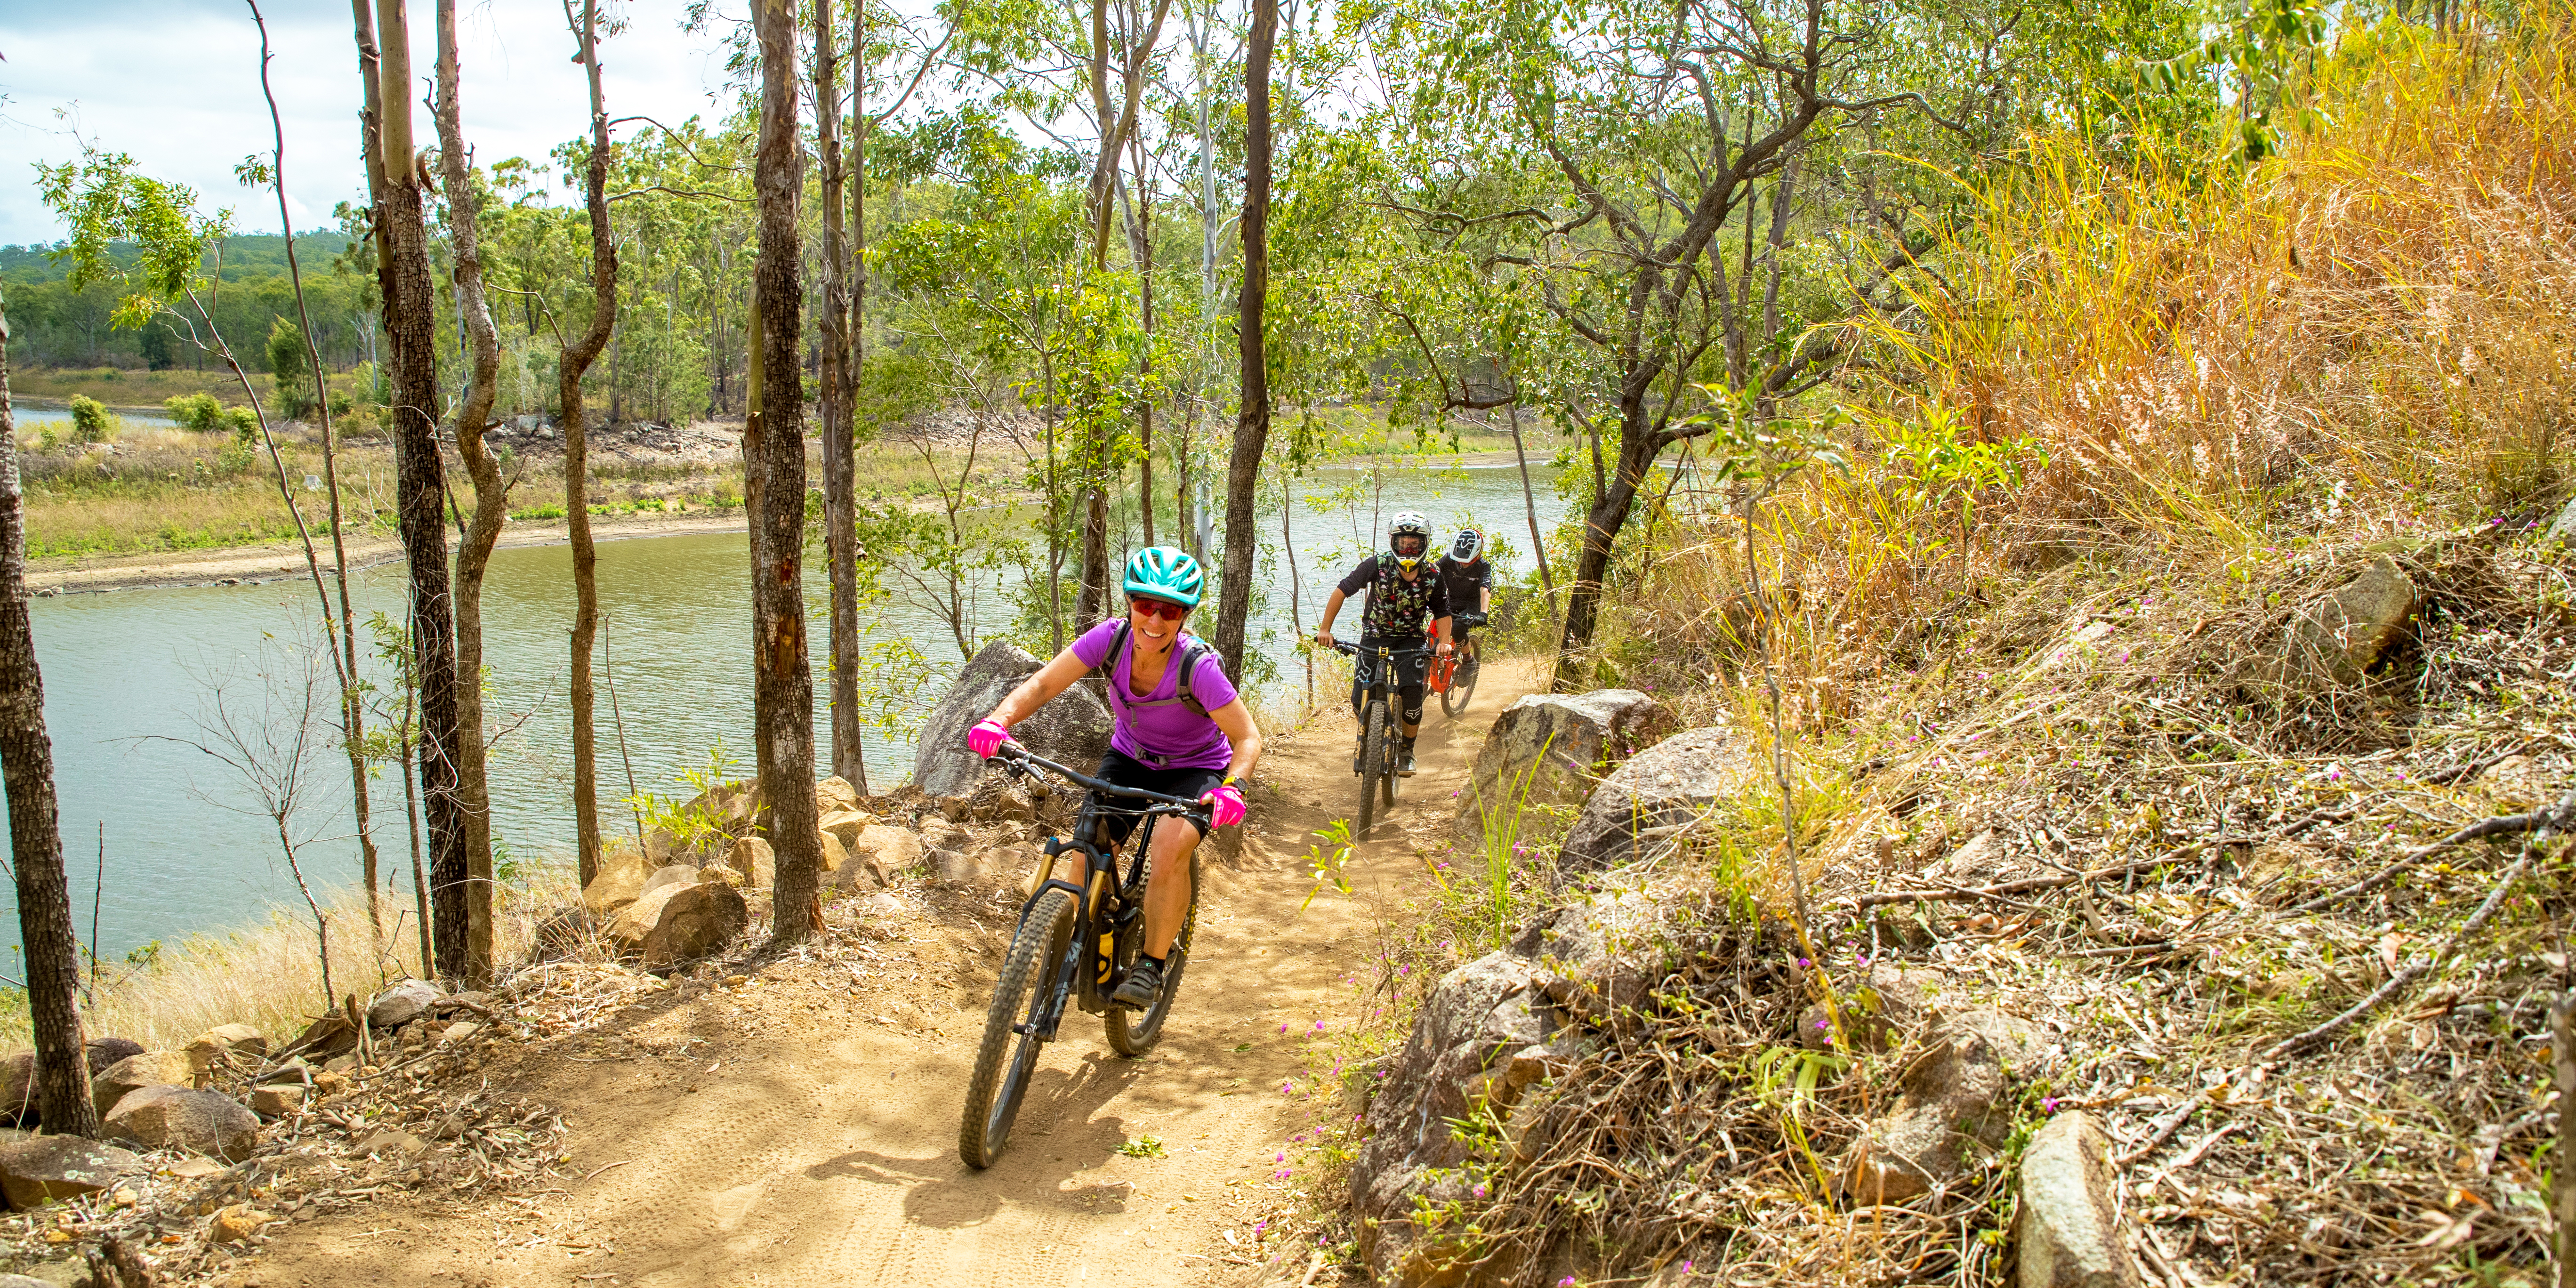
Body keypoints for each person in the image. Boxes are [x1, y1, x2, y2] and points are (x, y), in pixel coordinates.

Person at [966, 547, 1261, 1010]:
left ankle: (1151, 966)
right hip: (1131, 757)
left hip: (1196, 768)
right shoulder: (1110, 640)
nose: (1156, 620)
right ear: (1129, 602)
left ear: (1184, 615)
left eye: (1170, 610)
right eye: (1146, 605)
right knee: (1086, 856)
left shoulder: (1197, 668)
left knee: (1168, 848)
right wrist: (998, 721)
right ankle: (1086, 947)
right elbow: (1044, 684)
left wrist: (1234, 787)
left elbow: (1247, 737)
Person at [1314, 511, 1452, 777]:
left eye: (1414, 543)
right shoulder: (1377, 565)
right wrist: (1325, 629)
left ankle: (1407, 752)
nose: (1408, 548)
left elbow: (1443, 612)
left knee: (1412, 698)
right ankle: (1373, 734)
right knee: (1358, 700)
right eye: (1403, 543)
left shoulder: (1433, 574)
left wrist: (1444, 643)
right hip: (1374, 637)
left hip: (1411, 641)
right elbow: (1343, 590)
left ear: (1424, 544)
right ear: (1393, 542)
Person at [1437, 527, 1494, 661]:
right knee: (1436, 621)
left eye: (1466, 562)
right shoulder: (1448, 560)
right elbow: (1431, 572)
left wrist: (1483, 613)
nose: (1462, 564)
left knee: (1457, 628)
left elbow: (1485, 589)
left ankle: (1468, 659)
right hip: (1451, 600)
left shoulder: (1483, 566)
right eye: (1459, 560)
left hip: (1472, 605)